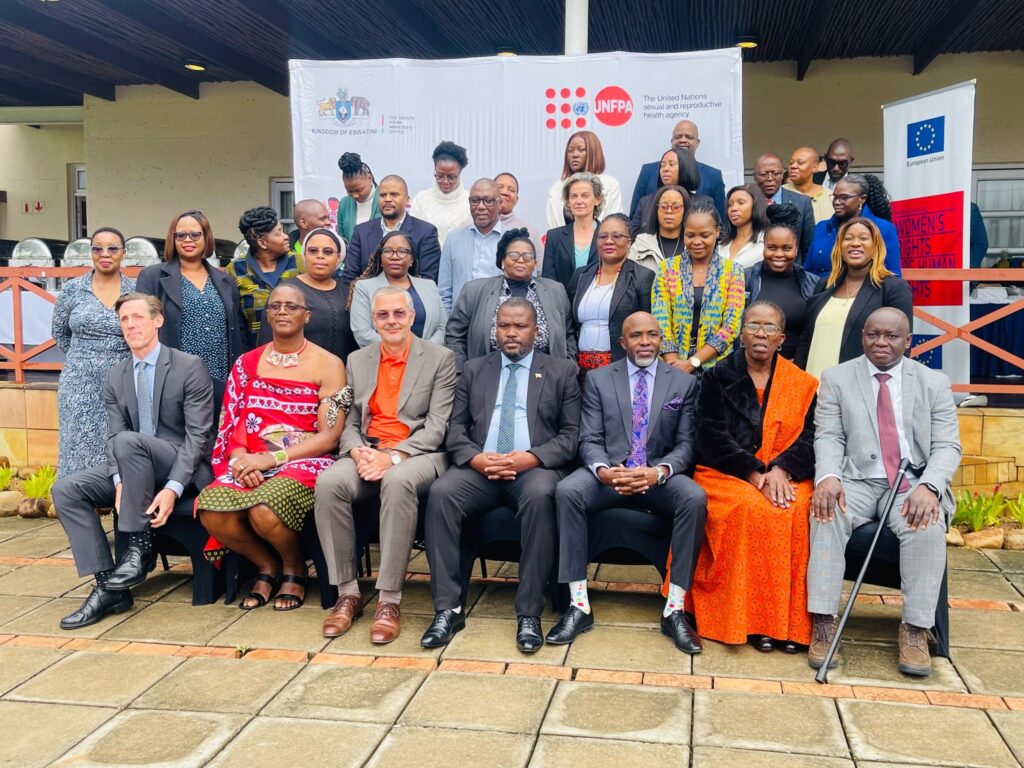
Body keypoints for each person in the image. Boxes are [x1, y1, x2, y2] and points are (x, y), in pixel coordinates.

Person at [421, 299, 581, 653]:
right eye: (504, 326)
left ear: (536, 331)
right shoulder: (475, 369)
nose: (511, 333)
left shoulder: (561, 371)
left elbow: (571, 436)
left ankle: (529, 613)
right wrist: (476, 458)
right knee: (441, 493)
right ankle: (448, 609)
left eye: (520, 326)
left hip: (532, 470)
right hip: (482, 468)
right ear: (495, 330)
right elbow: (456, 428)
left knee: (541, 497)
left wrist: (531, 458)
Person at [807, 307, 961, 677]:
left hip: (911, 482)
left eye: (891, 336)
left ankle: (915, 629)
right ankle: (824, 621)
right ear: (863, 336)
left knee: (926, 524)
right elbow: (829, 435)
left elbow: (947, 446)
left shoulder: (933, 382)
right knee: (825, 511)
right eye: (873, 334)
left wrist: (930, 487)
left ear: (907, 341)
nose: (881, 342)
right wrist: (828, 476)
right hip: (857, 480)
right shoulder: (836, 378)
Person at [546, 312, 706, 653]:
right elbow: (589, 438)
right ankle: (578, 605)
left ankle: (675, 609)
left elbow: (686, 445)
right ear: (622, 342)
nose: (645, 342)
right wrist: (603, 470)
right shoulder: (599, 379)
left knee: (693, 498)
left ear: (661, 340)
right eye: (636, 336)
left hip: (657, 478)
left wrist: (659, 472)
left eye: (652, 335)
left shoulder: (683, 383)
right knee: (567, 491)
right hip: (611, 476)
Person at [52, 293, 213, 629]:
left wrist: (171, 489)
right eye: (124, 319)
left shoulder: (188, 366)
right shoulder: (117, 375)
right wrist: (119, 482)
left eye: (138, 317)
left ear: (158, 320)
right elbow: (115, 436)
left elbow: (198, 438)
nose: (130, 325)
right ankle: (109, 585)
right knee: (66, 489)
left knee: (129, 442)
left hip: (176, 463)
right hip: (132, 465)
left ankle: (138, 548)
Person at [316, 287, 456, 643]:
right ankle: (348, 593)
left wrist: (393, 457)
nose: (391, 320)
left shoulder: (441, 358)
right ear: (373, 320)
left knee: (397, 481)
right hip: (368, 449)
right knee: (329, 483)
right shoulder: (357, 360)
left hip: (419, 454)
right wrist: (356, 451)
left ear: (412, 316)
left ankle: (389, 600)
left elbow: (438, 427)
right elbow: (349, 421)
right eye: (383, 315)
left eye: (398, 313)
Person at [197, 284, 349, 610]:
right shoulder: (247, 364)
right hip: (252, 459)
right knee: (211, 509)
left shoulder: (329, 364)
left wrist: (272, 459)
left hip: (307, 460)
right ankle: (266, 564)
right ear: (267, 315)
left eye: (291, 306)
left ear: (306, 316)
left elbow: (329, 437)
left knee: (265, 509)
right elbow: (233, 424)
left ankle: (295, 567)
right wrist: (241, 461)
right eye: (275, 306)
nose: (282, 311)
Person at [688, 301, 817, 651]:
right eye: (754, 326)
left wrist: (781, 469)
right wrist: (755, 473)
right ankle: (746, 620)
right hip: (727, 473)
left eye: (770, 327)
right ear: (741, 335)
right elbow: (710, 436)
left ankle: (785, 625)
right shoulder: (716, 377)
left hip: (786, 474)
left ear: (781, 338)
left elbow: (812, 437)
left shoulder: (803, 383)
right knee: (749, 509)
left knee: (795, 509)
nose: (761, 333)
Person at [137, 210, 244, 423]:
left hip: (220, 378)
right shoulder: (153, 276)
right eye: (181, 235)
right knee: (179, 439)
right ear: (172, 239)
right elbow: (141, 327)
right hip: (174, 379)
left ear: (207, 238)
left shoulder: (225, 281)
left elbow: (238, 329)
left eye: (195, 234)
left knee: (215, 437)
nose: (188, 240)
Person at [52, 227, 135, 478]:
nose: (105, 254)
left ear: (124, 253)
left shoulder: (135, 290)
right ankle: (75, 499)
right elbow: (60, 332)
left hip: (123, 383)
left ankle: (120, 498)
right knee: (77, 446)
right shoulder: (73, 289)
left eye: (112, 248)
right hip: (79, 385)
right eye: (98, 248)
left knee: (120, 445)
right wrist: (86, 359)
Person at [446, 228, 576, 372]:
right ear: (502, 260)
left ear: (535, 263)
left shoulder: (556, 291)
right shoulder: (474, 290)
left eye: (528, 256)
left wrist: (569, 369)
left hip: (547, 377)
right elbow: (454, 336)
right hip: (487, 376)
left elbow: (569, 335)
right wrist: (462, 373)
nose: (521, 260)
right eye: (514, 255)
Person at [798, 218, 913, 379]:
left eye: (864, 238)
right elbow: (805, 339)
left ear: (876, 246)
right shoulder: (824, 285)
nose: (855, 243)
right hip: (813, 384)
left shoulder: (893, 288)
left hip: (859, 386)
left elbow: (901, 346)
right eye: (848, 238)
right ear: (840, 246)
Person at [652, 201, 745, 375]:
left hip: (717, 369)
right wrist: (673, 364)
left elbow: (731, 326)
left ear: (717, 232)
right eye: (690, 235)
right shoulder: (667, 268)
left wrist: (693, 362)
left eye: (704, 235)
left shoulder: (733, 271)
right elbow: (660, 320)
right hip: (670, 368)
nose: (697, 242)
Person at [568, 214, 654, 375]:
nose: (608, 241)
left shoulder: (643, 277)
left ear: (629, 242)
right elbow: (569, 325)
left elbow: (647, 328)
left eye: (617, 236)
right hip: (581, 369)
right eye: (603, 236)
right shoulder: (581, 275)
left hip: (620, 367)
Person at [257, 228, 349, 361]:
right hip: (294, 369)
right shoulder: (287, 290)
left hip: (339, 371)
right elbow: (267, 339)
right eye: (313, 251)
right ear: (304, 255)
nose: (320, 256)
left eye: (328, 252)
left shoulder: (347, 292)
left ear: (338, 258)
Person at [745, 203, 820, 360]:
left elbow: (813, 333)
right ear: (763, 247)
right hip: (751, 364)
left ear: (796, 249)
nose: (779, 254)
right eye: (772, 248)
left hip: (797, 365)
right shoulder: (745, 279)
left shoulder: (813, 284)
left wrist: (798, 361)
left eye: (786, 248)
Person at [349, 231, 447, 347]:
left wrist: (426, 350)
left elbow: (442, 327)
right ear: (380, 258)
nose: (394, 257)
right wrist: (405, 351)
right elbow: (362, 333)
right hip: (382, 356)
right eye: (387, 251)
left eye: (402, 251)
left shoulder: (429, 286)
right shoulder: (364, 288)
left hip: (428, 355)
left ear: (411, 259)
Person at [343, 174, 441, 285]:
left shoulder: (426, 232)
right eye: (383, 195)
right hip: (367, 296)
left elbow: (428, 281)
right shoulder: (361, 232)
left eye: (394, 195)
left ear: (407, 200)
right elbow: (350, 277)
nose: (387, 199)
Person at [229, 206, 302, 349]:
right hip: (255, 352)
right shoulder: (236, 270)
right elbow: (236, 322)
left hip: (298, 351)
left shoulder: (299, 263)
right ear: (262, 243)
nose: (286, 236)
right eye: (279, 233)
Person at [805, 174, 902, 277]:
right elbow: (808, 270)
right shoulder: (822, 227)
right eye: (835, 197)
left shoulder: (883, 228)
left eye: (844, 197)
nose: (837, 202)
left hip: (865, 286)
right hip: (821, 286)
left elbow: (893, 273)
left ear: (862, 199)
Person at [630, 120, 726, 219]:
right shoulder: (648, 171)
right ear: (672, 141)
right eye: (678, 137)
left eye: (689, 137)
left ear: (697, 143)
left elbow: (721, 220)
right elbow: (634, 215)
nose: (683, 140)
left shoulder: (713, 176)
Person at [438, 178, 505, 311]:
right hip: (461, 319)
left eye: (488, 201)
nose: (481, 207)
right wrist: (449, 322)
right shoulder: (454, 239)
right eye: (475, 201)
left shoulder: (514, 241)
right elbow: (444, 292)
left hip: (500, 318)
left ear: (500, 203)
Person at [546, 131, 623, 228]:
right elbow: (551, 228)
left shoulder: (610, 185)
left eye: (581, 150)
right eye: (570, 150)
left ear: (593, 153)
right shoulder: (556, 189)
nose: (574, 155)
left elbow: (616, 226)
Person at [542, 172, 601, 291]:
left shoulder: (608, 236)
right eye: (574, 196)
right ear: (568, 202)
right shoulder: (554, 237)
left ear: (597, 199)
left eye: (585, 196)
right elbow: (548, 282)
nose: (579, 201)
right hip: (562, 301)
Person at [752, 153, 815, 263]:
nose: (770, 179)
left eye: (775, 173)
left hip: (792, 268)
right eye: (763, 174)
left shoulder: (802, 203)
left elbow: (808, 247)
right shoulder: (747, 203)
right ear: (754, 176)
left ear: (782, 174)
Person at [629, 147, 706, 237]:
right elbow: (632, 234)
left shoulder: (703, 203)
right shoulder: (645, 202)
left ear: (685, 167)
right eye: (662, 165)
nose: (665, 169)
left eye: (671, 164)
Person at [410, 140, 471, 246]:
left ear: (460, 172)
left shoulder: (471, 201)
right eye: (440, 176)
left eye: (451, 177)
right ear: (435, 170)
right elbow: (413, 237)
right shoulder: (421, 200)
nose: (445, 181)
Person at [627, 186, 691, 272]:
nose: (669, 211)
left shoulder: (693, 245)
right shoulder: (640, 244)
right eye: (664, 206)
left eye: (676, 207)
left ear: (685, 210)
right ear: (656, 210)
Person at [717, 184, 769, 268]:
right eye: (730, 204)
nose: (733, 208)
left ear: (756, 206)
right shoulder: (722, 243)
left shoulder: (766, 241)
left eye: (741, 203)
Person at [495, 171, 544, 260]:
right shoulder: (473, 227)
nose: (505, 192)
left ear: (517, 200)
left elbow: (540, 267)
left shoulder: (531, 232)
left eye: (511, 190)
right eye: (500, 187)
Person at [336, 152, 379, 243]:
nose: (355, 195)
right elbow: (342, 238)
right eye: (350, 191)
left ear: (369, 178)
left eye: (359, 190)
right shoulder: (344, 204)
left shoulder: (385, 199)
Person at [783, 147, 833, 224]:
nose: (793, 166)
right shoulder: (780, 193)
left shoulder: (831, 196)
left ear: (815, 167)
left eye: (800, 163)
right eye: (791, 163)